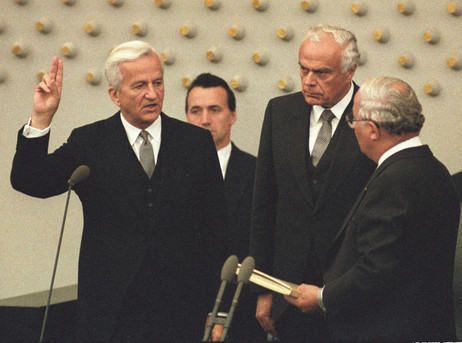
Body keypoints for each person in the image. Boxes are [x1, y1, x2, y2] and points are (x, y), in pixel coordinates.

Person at [10, 41, 229, 342]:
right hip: (109, 314)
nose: (152, 94)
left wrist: (217, 310)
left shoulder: (195, 143)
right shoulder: (90, 142)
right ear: (115, 95)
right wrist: (42, 118)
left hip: (182, 313)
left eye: (158, 82)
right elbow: (30, 181)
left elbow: (216, 230)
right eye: (139, 85)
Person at [285, 76, 460, 342]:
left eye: (352, 121)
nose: (352, 128)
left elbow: (376, 269)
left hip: (386, 330)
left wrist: (322, 298)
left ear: (373, 129)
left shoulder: (395, 179)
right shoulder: (435, 170)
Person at [249, 24, 376, 341]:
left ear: (350, 71)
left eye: (321, 73)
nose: (308, 81)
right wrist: (263, 288)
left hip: (349, 290)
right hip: (287, 290)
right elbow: (264, 202)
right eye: (303, 69)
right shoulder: (280, 111)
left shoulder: (375, 113)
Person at [185, 73, 265, 342]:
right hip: (181, 314)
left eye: (214, 110)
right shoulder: (166, 173)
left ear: (233, 115)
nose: (204, 119)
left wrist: (220, 314)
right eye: (196, 111)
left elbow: (261, 247)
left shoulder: (258, 174)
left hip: (240, 316)